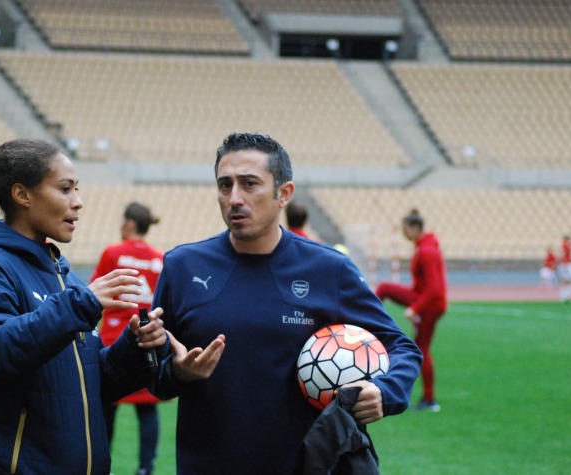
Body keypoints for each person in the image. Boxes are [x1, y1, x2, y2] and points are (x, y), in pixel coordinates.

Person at [150, 132, 422, 474]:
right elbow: (156, 375)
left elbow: (400, 346)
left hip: (307, 465)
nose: (234, 198)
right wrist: (176, 371)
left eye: (249, 184)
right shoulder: (182, 266)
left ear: (284, 194)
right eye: (224, 185)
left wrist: (385, 391)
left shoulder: (329, 269)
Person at [0, 139, 168, 474]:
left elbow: (88, 386)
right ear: (22, 195)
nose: (78, 203)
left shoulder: (64, 276)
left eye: (76, 189)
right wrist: (80, 305)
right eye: (65, 189)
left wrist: (134, 349)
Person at [90, 202, 164, 475]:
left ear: (130, 224)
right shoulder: (161, 258)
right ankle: (146, 468)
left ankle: (100, 465)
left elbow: (94, 295)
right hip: (145, 341)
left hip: (112, 340)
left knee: (105, 407)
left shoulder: (113, 253)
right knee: (147, 410)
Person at [375, 209, 447, 412]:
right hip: (427, 300)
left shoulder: (426, 251)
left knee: (421, 349)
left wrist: (416, 308)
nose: (405, 234)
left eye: (406, 229)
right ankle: (428, 398)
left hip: (429, 303)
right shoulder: (425, 247)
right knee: (385, 288)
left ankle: (430, 399)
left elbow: (434, 288)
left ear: (414, 228)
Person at [557, 235, 571, 302]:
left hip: (566, 264)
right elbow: (562, 254)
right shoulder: (565, 245)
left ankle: (566, 296)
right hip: (566, 264)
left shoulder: (565, 245)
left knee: (568, 281)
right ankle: (564, 296)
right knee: (567, 280)